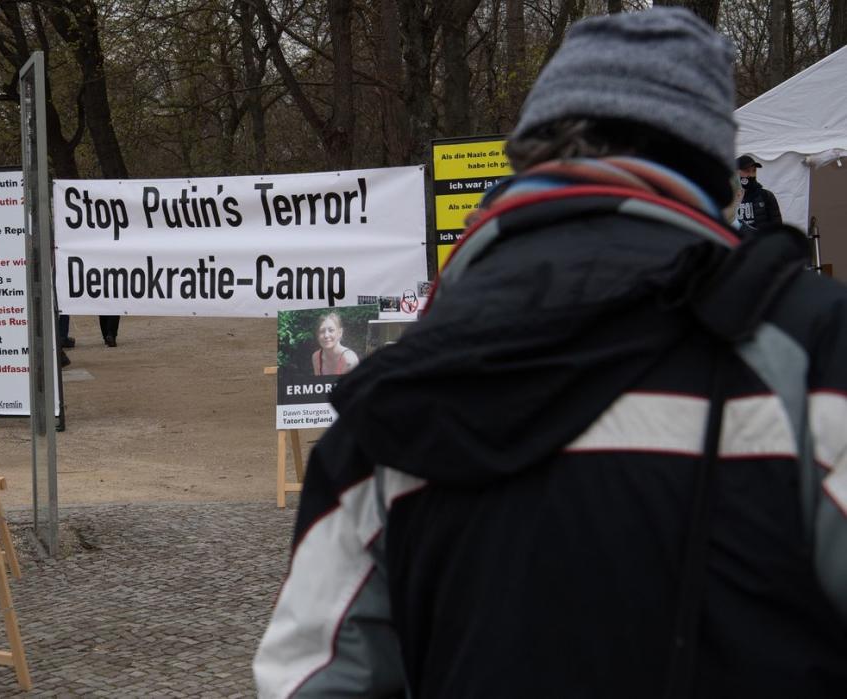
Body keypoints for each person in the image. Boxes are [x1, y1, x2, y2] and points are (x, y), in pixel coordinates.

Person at [255, 8, 847, 698]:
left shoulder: (394, 386)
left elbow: (312, 678)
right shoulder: (813, 347)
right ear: (717, 177)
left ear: (530, 155)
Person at [736, 154, 783, 228]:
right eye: (747, 171)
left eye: (754, 171)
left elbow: (777, 227)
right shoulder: (727, 197)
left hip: (760, 239)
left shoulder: (766, 195)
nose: (751, 175)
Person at [309, 311, 359, 376]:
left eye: (331, 330)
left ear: (340, 333)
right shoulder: (316, 357)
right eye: (322, 331)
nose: (326, 335)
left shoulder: (349, 359)